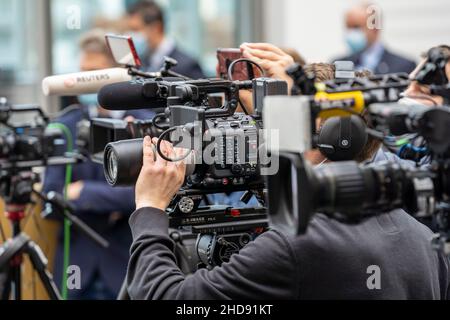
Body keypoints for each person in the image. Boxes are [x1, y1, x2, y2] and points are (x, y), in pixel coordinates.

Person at [124, 45, 450, 299]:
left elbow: (166, 296)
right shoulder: (423, 240)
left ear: (328, 133)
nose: (266, 130)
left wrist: (150, 210)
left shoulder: (292, 246)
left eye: (283, 116)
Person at [43, 29, 154, 300]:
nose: (82, 81)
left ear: (115, 75)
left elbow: (146, 194)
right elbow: (52, 197)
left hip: (128, 266)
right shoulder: (65, 126)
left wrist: (82, 193)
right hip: (76, 269)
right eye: (81, 71)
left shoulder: (145, 124)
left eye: (92, 73)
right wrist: (113, 201)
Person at [126, 0, 205, 79]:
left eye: (136, 30)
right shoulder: (141, 63)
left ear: (156, 28)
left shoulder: (188, 66)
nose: (132, 36)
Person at [334, 3, 416, 74]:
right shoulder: (337, 66)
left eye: (356, 27)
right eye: (348, 27)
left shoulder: (404, 67)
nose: (351, 33)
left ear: (375, 28)